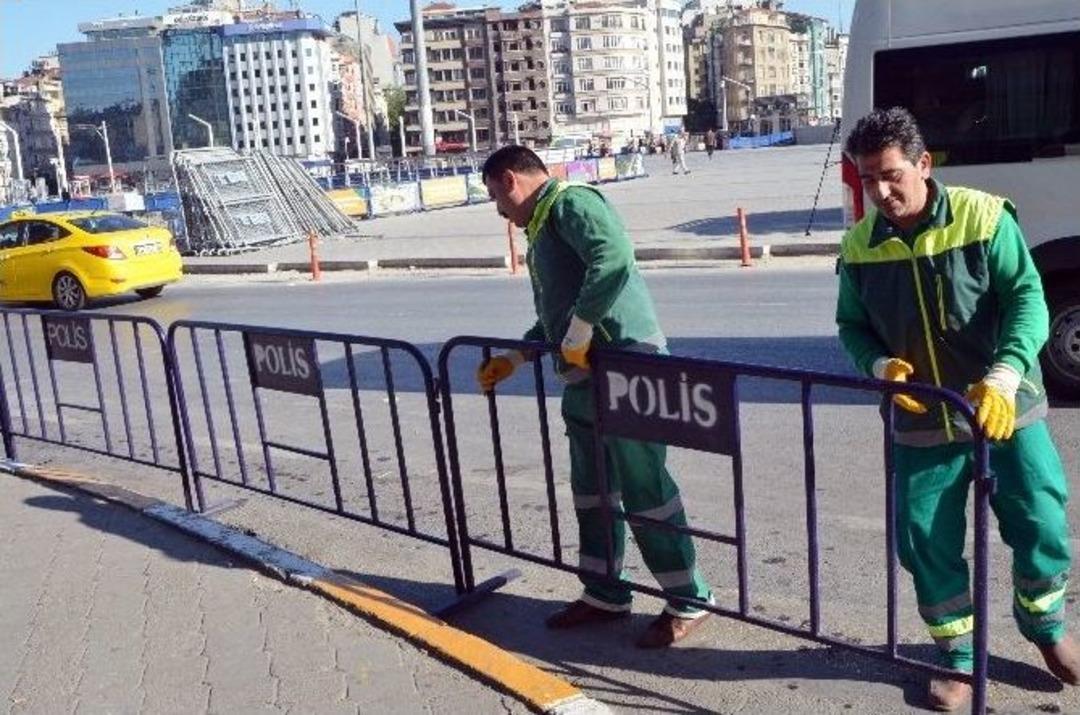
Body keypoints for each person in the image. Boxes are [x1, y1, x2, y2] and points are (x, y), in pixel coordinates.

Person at [835, 107, 1077, 711]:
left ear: (923, 164)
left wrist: (1004, 377)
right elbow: (852, 326)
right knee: (924, 541)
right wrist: (879, 367)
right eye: (868, 179)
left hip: (1005, 408)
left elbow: (1027, 300)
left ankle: (1046, 627)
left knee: (1042, 520)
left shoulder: (983, 217)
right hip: (921, 420)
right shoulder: (859, 245)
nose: (880, 192)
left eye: (891, 174)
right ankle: (959, 655)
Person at [477, 145, 714, 648]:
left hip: (628, 366)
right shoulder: (544, 224)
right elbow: (558, 317)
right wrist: (517, 356)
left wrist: (582, 329)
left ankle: (688, 597)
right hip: (585, 374)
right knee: (592, 489)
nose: (498, 210)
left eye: (495, 196)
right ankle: (605, 592)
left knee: (644, 486)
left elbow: (614, 259)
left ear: (510, 180)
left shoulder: (571, 202)